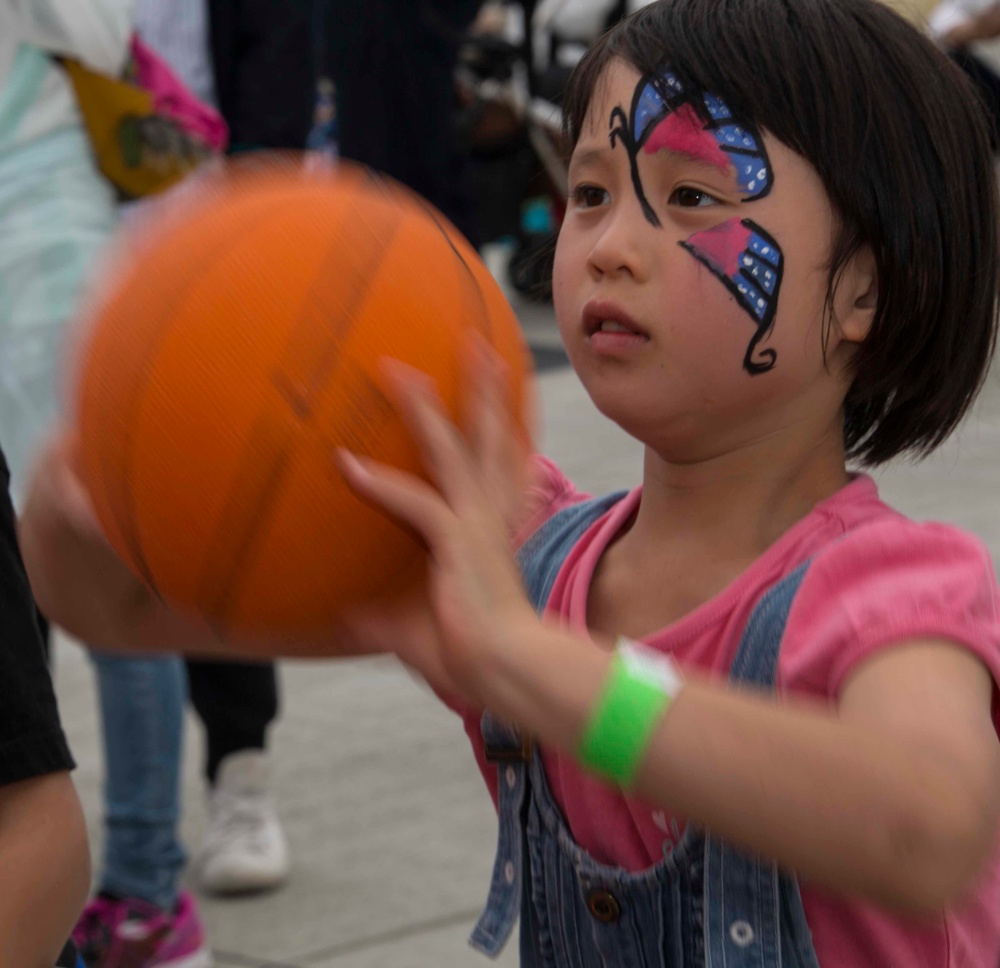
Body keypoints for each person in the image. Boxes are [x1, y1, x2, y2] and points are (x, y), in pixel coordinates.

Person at [19, 0, 1000, 964]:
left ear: (862, 290)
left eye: (691, 195)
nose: (610, 244)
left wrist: (530, 660)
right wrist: (89, 494)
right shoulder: (510, 540)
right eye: (589, 192)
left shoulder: (889, 591)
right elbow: (115, 608)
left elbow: (919, 828)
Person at [0, 2, 213, 965]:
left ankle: (144, 887)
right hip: (42, 202)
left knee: (104, 552)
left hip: (39, 213)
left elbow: (92, 28)